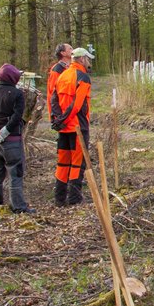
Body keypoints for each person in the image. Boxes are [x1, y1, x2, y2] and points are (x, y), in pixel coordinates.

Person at [0, 63, 33, 214]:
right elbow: (17, 116)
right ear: (12, 77)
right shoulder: (17, 94)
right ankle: (18, 207)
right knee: (15, 173)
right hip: (11, 141)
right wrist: (3, 133)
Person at [51, 47, 94, 206]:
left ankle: (59, 198)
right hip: (77, 127)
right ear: (82, 59)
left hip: (63, 127)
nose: (89, 62)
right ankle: (74, 199)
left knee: (62, 163)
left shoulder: (62, 75)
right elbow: (77, 105)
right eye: (88, 59)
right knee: (77, 163)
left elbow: (54, 99)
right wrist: (64, 119)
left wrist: (57, 119)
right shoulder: (82, 77)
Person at [46, 44, 73, 119]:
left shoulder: (70, 68)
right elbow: (53, 93)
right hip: (60, 111)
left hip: (69, 108)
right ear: (63, 53)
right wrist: (57, 114)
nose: (73, 50)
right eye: (70, 49)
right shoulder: (57, 69)